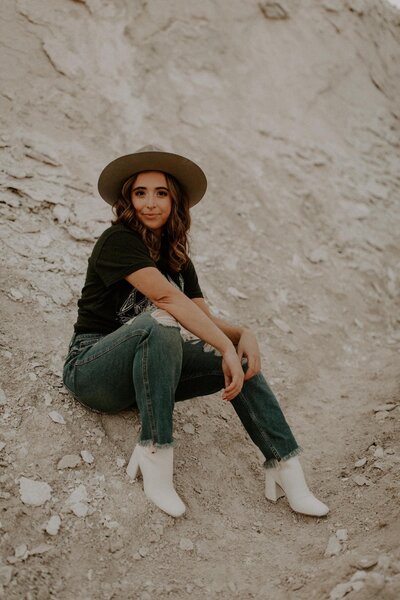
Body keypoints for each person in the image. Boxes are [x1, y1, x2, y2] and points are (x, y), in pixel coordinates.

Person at [63, 145, 329, 519]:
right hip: (93, 369)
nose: (150, 203)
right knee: (158, 323)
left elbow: (200, 315)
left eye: (161, 193)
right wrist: (225, 346)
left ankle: (286, 468)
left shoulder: (176, 256)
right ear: (128, 200)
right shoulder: (118, 241)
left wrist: (239, 336)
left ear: (176, 201)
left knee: (236, 357)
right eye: (140, 193)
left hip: (147, 373)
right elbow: (167, 299)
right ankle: (156, 453)